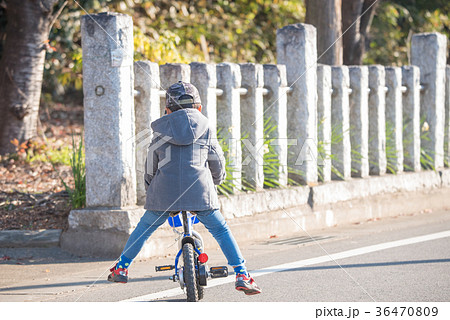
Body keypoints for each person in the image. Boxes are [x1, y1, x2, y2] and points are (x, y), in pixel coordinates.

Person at [107, 81, 261, 296]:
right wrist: (216, 180)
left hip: (164, 194)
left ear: (167, 109)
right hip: (200, 191)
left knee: (145, 228)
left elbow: (151, 164)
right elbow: (216, 160)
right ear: (198, 107)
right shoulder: (206, 126)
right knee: (220, 230)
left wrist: (151, 189)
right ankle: (242, 274)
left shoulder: (160, 130)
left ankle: (121, 268)